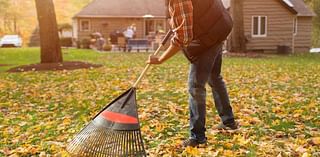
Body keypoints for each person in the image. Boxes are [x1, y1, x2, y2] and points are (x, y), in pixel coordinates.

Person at [147, 0, 238, 147]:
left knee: (196, 86)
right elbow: (192, 15)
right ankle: (229, 122)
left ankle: (197, 137)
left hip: (209, 35)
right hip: (220, 26)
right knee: (214, 77)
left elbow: (183, 37)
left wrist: (160, 59)